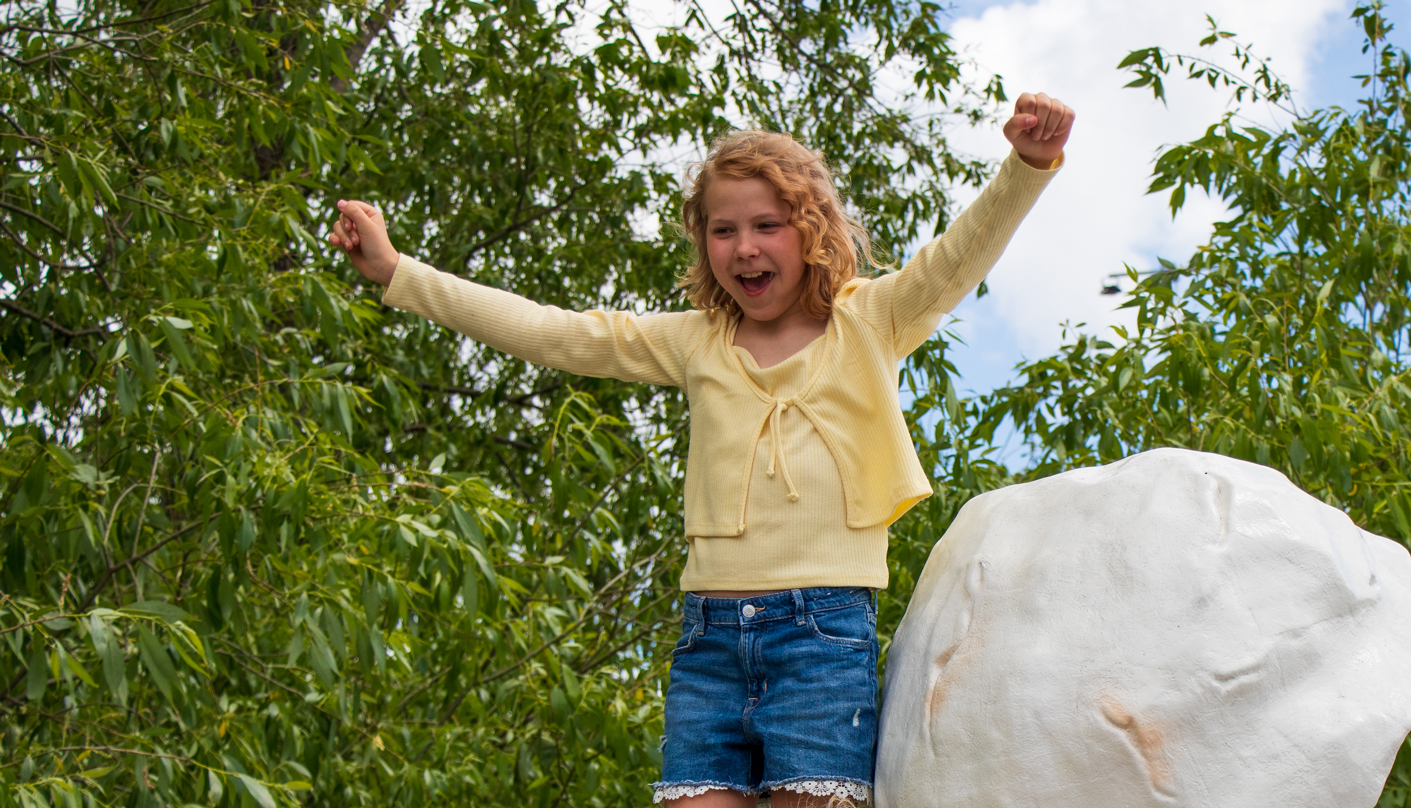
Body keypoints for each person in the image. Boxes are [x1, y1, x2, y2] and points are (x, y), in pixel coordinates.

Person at [328, 92, 1074, 808]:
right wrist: (402, 274)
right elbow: (551, 331)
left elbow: (957, 259)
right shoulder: (693, 344)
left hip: (822, 638)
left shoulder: (872, 321)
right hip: (709, 646)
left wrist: (1027, 165)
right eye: (723, 231)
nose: (744, 247)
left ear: (812, 229)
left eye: (767, 226)